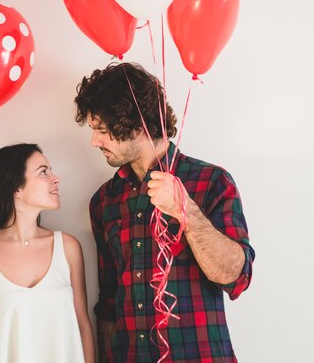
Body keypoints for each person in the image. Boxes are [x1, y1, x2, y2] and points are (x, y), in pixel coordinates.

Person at [74, 62, 255, 363]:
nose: (95, 142)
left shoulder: (212, 182)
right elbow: (108, 303)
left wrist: (187, 212)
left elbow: (236, 277)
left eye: (102, 130)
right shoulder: (104, 201)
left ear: (135, 123)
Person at [0, 143, 95, 363]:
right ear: (15, 188)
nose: (55, 178)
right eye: (43, 172)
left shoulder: (68, 247)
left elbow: (83, 326)